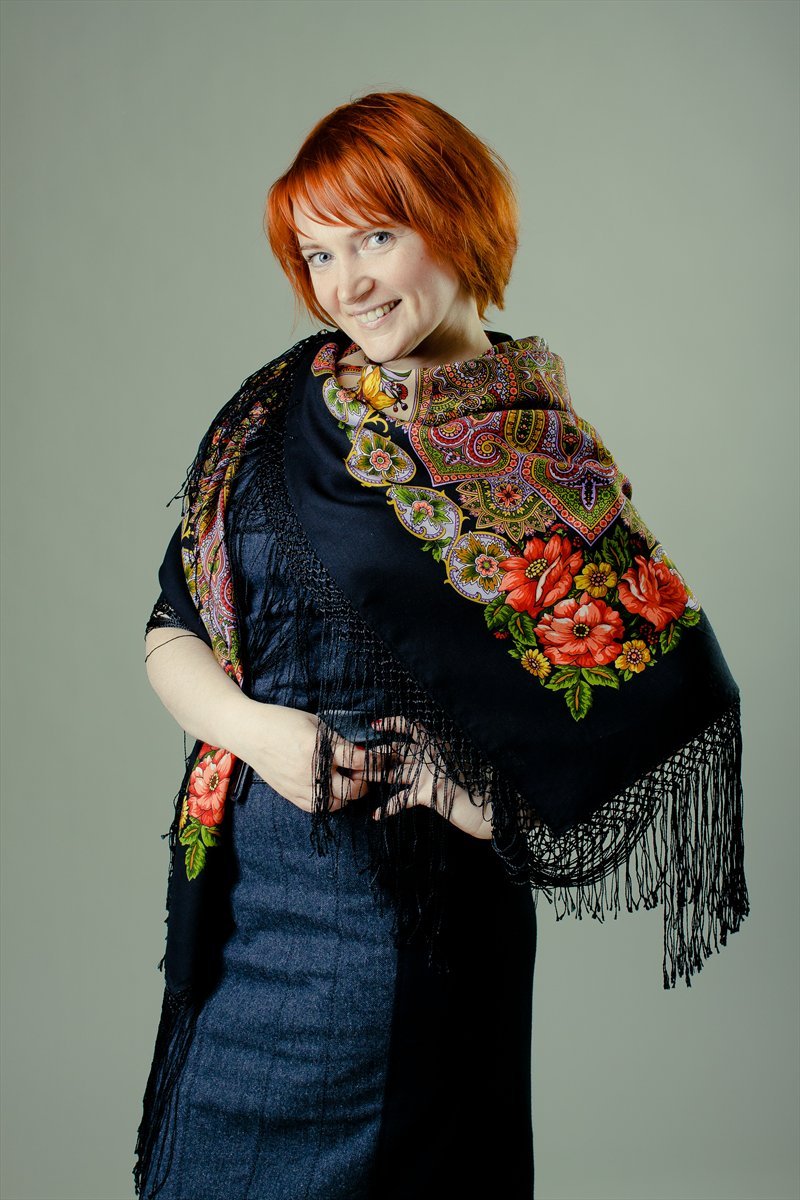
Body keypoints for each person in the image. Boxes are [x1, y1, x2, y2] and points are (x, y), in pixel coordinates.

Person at [134, 91, 748, 1200]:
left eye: (377, 236)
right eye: (319, 255)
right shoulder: (275, 409)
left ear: (457, 218)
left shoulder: (535, 452)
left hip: (404, 929)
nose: (347, 284)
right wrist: (257, 733)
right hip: (238, 913)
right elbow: (172, 626)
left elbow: (654, 693)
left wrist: (470, 797)